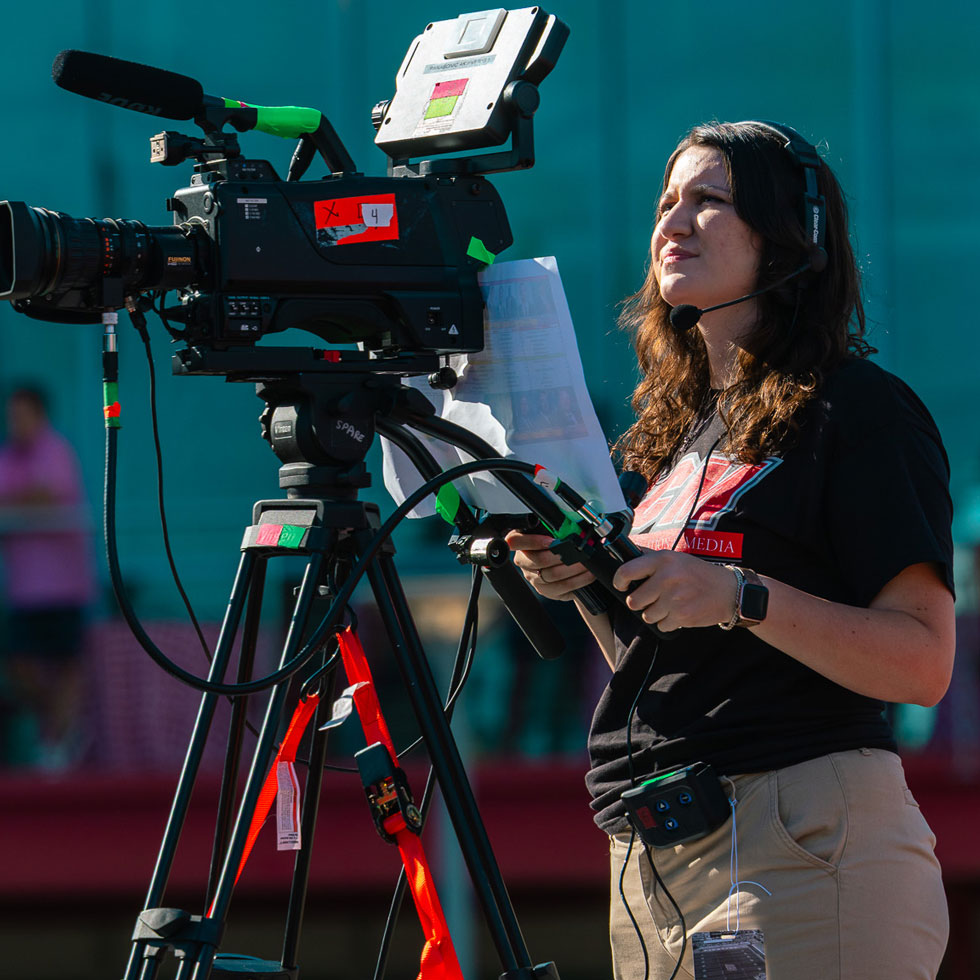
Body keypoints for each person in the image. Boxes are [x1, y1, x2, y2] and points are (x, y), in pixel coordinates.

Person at [507, 121, 954, 980]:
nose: (674, 223)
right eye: (666, 202)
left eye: (709, 200)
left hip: (803, 838)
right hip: (657, 855)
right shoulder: (663, 442)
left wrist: (740, 594)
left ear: (793, 235)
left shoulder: (858, 409)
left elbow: (922, 661)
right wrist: (588, 590)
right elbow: (671, 650)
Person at [0, 385, 96, 768]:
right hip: (24, 588)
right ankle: (59, 729)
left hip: (64, 583)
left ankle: (58, 745)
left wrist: (17, 501)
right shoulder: (7, 456)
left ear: (39, 414)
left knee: (67, 662)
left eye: (22, 414)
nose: (15, 423)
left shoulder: (57, 451)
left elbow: (47, 496)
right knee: (20, 665)